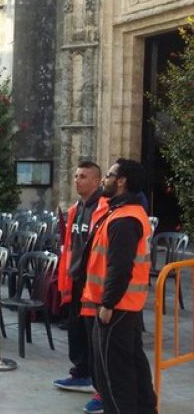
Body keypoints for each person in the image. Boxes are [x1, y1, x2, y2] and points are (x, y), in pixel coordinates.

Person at [84, 158, 156, 414]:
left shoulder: (124, 219)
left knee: (113, 375)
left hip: (116, 307)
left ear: (122, 181)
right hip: (126, 306)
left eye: (110, 174)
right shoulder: (125, 213)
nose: (105, 179)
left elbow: (120, 267)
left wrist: (107, 303)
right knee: (133, 363)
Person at [53, 161, 108, 413]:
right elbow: (69, 246)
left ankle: (102, 390)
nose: (77, 180)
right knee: (76, 329)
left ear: (96, 181)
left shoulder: (104, 208)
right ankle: (81, 372)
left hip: (93, 283)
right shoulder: (76, 209)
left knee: (95, 337)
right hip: (76, 279)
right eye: (75, 175)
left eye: (83, 176)